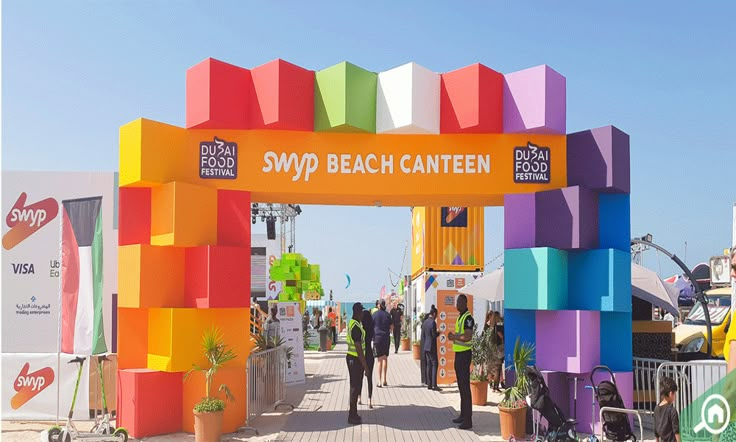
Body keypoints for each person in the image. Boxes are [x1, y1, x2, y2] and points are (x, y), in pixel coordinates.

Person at [448, 294, 474, 430]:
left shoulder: (468, 318)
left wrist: (454, 336)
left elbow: (467, 336)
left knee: (465, 388)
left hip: (464, 355)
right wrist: (455, 337)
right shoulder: (460, 317)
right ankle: (463, 415)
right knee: (461, 387)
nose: (456, 304)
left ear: (464, 302)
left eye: (458, 302)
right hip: (459, 355)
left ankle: (468, 420)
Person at [346, 303, 368, 425]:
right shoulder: (355, 326)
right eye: (361, 312)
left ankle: (353, 413)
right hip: (354, 360)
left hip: (353, 358)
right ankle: (352, 415)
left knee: (356, 386)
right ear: (357, 312)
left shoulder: (354, 323)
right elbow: (359, 348)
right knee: (354, 387)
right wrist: (366, 366)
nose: (363, 315)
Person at [357, 309, 375, 409]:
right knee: (369, 377)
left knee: (360, 377)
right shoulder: (371, 329)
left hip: (361, 354)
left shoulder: (360, 329)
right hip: (369, 354)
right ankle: (370, 400)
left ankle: (359, 397)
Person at [372, 299, 392, 387]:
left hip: (377, 338)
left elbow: (371, 326)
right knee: (385, 358)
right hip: (386, 338)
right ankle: (385, 379)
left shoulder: (374, 315)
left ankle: (379, 381)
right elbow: (391, 327)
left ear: (379, 305)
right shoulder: (388, 315)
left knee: (379, 360)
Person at [654, 377, 680, 442]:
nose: (675, 397)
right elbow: (676, 431)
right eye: (675, 394)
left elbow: (655, 430)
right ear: (671, 394)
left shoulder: (656, 408)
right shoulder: (672, 411)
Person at [422, 305, 441, 391]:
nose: (436, 317)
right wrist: (438, 332)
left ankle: (429, 384)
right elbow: (433, 335)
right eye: (436, 315)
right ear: (434, 314)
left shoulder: (425, 322)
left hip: (426, 346)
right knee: (435, 364)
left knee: (429, 365)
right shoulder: (433, 322)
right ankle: (434, 385)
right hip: (431, 347)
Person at [490, 311, 505, 392]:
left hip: (493, 349)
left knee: (496, 368)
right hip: (498, 349)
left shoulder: (491, 326)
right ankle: (495, 387)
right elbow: (501, 336)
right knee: (498, 369)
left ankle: (495, 386)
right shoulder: (497, 327)